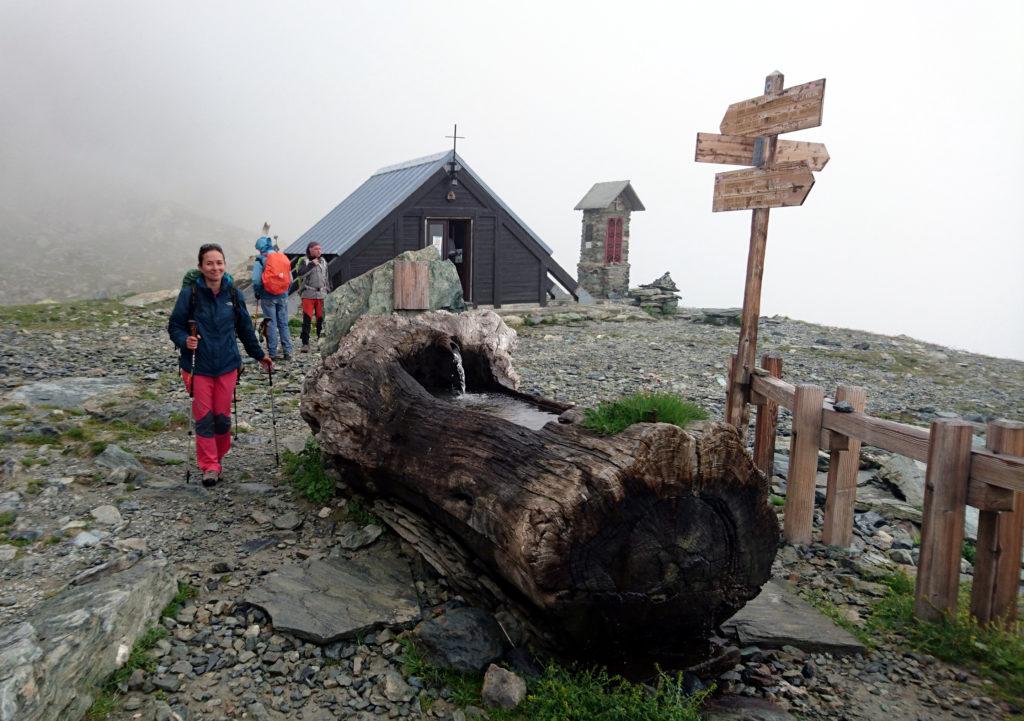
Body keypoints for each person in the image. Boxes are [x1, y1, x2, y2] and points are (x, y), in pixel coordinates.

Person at [169, 243, 273, 487]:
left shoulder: (233, 294)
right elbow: (174, 326)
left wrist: (259, 355)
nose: (215, 267)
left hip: (227, 365)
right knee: (204, 417)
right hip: (198, 366)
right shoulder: (190, 294)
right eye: (209, 263)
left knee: (222, 417)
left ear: (224, 264)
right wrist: (186, 340)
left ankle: (218, 454)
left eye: (219, 262)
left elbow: (245, 329)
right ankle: (210, 465)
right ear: (200, 267)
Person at [251, 236, 294, 360]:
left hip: (267, 296)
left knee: (271, 324)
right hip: (283, 296)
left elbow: (256, 280)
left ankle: (272, 353)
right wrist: (285, 292)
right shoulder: (282, 258)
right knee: (283, 324)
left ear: (260, 248)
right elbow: (290, 279)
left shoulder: (261, 260)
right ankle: (288, 352)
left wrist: (258, 293)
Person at [293, 241, 331, 352]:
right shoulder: (304, 261)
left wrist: (329, 291)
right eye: (316, 249)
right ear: (310, 249)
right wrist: (311, 265)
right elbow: (300, 274)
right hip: (308, 294)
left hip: (322, 295)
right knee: (307, 319)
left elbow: (327, 278)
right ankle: (305, 344)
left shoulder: (324, 261)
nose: (319, 251)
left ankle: (321, 342)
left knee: (321, 319)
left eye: (320, 249)